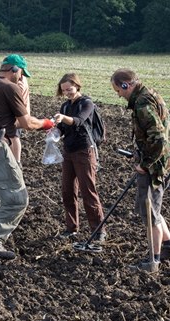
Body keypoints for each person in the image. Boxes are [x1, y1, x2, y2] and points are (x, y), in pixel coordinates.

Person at [0, 54, 54, 260]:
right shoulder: (11, 87)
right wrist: (47, 124)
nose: (22, 79)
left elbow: (9, 121)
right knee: (18, 198)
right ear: (15, 70)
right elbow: (25, 123)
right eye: (22, 74)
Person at [110, 68, 170, 273]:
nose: (119, 95)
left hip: (156, 167)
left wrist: (145, 164)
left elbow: (158, 137)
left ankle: (153, 261)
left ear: (126, 85)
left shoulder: (142, 103)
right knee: (154, 210)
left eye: (118, 90)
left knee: (150, 211)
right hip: (165, 162)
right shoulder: (149, 94)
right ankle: (169, 248)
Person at [53, 73, 106, 241]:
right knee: (67, 191)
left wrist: (63, 119)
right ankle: (71, 228)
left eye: (69, 89)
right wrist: (54, 131)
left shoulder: (87, 104)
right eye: (64, 90)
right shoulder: (65, 106)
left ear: (77, 86)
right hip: (68, 151)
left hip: (84, 151)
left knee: (88, 191)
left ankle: (99, 231)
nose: (67, 93)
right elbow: (63, 128)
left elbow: (79, 121)